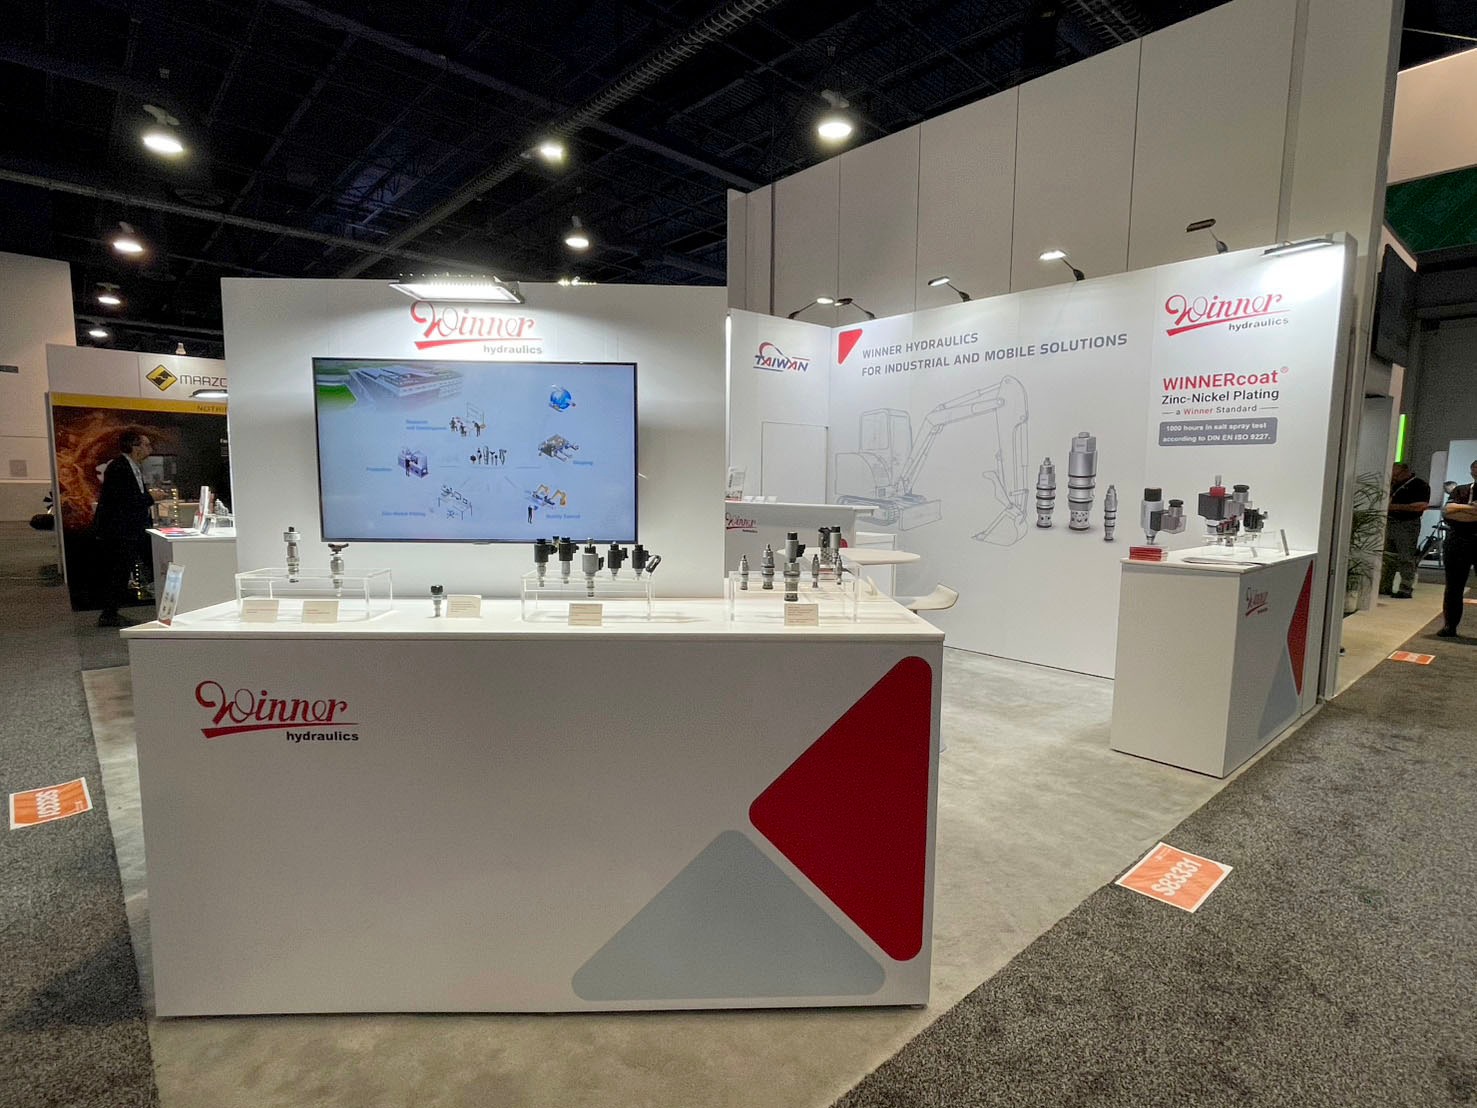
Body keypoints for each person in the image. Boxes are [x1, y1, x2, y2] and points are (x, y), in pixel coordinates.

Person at [95, 429, 165, 628]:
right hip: (119, 531)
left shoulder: (131, 467)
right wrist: (151, 497)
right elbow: (126, 500)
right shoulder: (120, 468)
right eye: (146, 445)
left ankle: (111, 612)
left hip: (130, 529)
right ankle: (109, 614)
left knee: (123, 570)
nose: (150, 449)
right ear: (135, 447)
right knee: (119, 571)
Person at [1437, 458, 1477, 638]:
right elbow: (1448, 512)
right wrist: (1470, 509)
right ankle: (1450, 626)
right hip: (1457, 541)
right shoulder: (1460, 490)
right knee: (1453, 586)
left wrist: (1460, 510)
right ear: (1471, 471)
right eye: (1474, 467)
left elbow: (1456, 512)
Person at [1379, 461, 1430, 598]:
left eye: (1396, 475)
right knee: (1388, 556)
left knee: (1406, 557)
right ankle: (1385, 586)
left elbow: (1421, 506)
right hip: (1390, 522)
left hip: (1407, 524)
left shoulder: (1419, 485)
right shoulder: (1393, 484)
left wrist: (1393, 507)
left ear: (1405, 472)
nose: (1394, 478)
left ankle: (1406, 587)